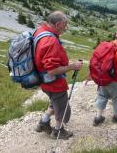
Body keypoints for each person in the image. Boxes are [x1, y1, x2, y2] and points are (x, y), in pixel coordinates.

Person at [34, 11, 83, 139]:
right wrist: (72, 66)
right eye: (64, 25)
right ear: (57, 24)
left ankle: (43, 123)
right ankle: (58, 131)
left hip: (43, 80)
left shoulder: (40, 31)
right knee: (62, 108)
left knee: (54, 102)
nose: (65, 28)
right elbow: (52, 70)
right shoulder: (51, 41)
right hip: (53, 82)